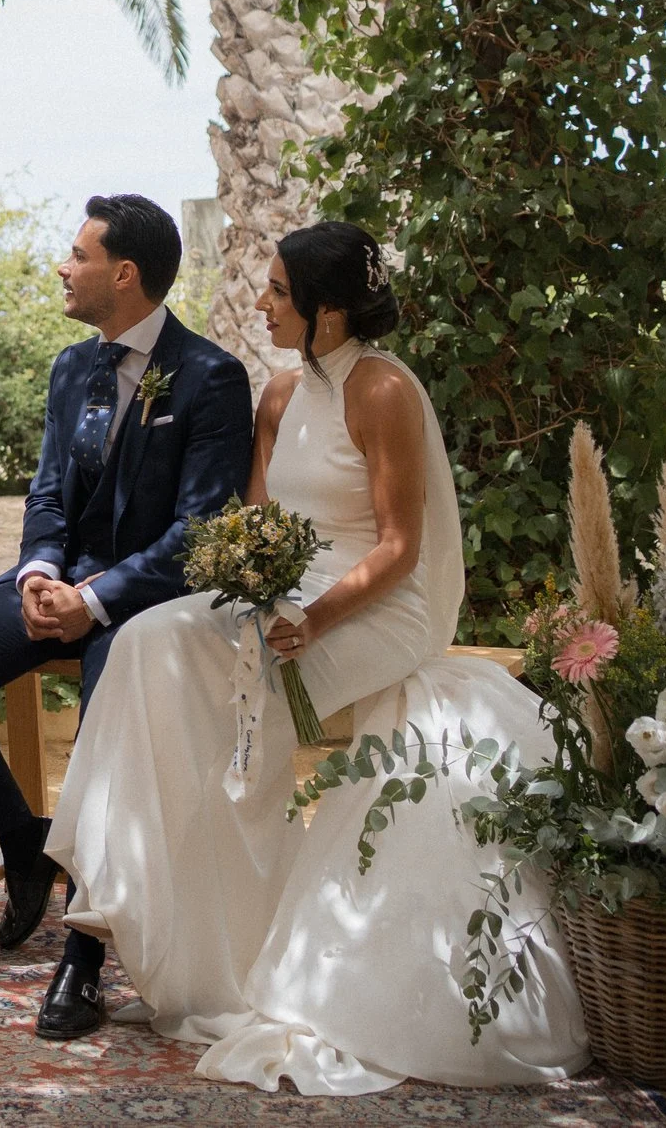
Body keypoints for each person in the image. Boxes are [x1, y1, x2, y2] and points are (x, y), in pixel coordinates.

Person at [43, 221, 586, 1088]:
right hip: (284, 592)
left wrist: (318, 616)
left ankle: (233, 903)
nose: (259, 303)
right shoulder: (280, 395)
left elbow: (402, 545)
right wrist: (243, 583)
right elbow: (257, 529)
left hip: (375, 605)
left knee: (236, 681)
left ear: (328, 312)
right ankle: (122, 881)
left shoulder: (383, 391)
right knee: (146, 639)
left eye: (277, 292)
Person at [0, 194, 253, 963]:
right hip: (57, 582)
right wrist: (40, 572)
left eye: (79, 255)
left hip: (145, 603)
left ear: (124, 273)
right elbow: (49, 495)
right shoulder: (71, 366)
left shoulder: (211, 377)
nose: (63, 267)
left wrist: (93, 601)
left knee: (108, 720)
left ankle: (86, 957)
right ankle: (23, 842)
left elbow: (200, 532)